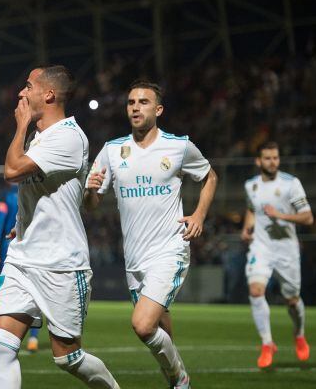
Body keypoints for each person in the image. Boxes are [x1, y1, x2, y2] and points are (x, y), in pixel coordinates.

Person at [0, 65, 119, 389]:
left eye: (28, 86)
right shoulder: (40, 136)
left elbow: (12, 170)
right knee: (2, 344)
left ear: (48, 94)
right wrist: (23, 223)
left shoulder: (69, 138)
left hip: (61, 264)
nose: (21, 93)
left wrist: (19, 127)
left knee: (67, 357)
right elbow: (47, 193)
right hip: (22, 258)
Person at [84, 80, 218, 389]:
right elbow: (92, 205)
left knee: (143, 326)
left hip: (169, 249)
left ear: (158, 110)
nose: (135, 107)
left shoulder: (179, 146)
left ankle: (180, 379)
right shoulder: (112, 150)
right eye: (131, 102)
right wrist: (90, 192)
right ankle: (175, 378)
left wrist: (198, 215)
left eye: (143, 102)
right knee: (160, 329)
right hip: (134, 258)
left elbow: (210, 176)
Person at [241, 141, 313, 368]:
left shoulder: (291, 184)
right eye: (268, 158)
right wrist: (247, 227)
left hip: (286, 250)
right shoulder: (250, 185)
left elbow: (308, 217)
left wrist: (280, 215)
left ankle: (299, 334)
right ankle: (267, 343)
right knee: (255, 290)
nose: (273, 162)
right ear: (258, 161)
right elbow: (252, 210)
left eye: (276, 158)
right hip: (261, 248)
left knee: (291, 300)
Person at [0, 182, 41, 352]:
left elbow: (0, 220)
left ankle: (4, 333)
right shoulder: (35, 189)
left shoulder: (5, 196)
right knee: (35, 292)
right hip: (35, 246)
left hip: (10, 247)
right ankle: (33, 338)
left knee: (8, 292)